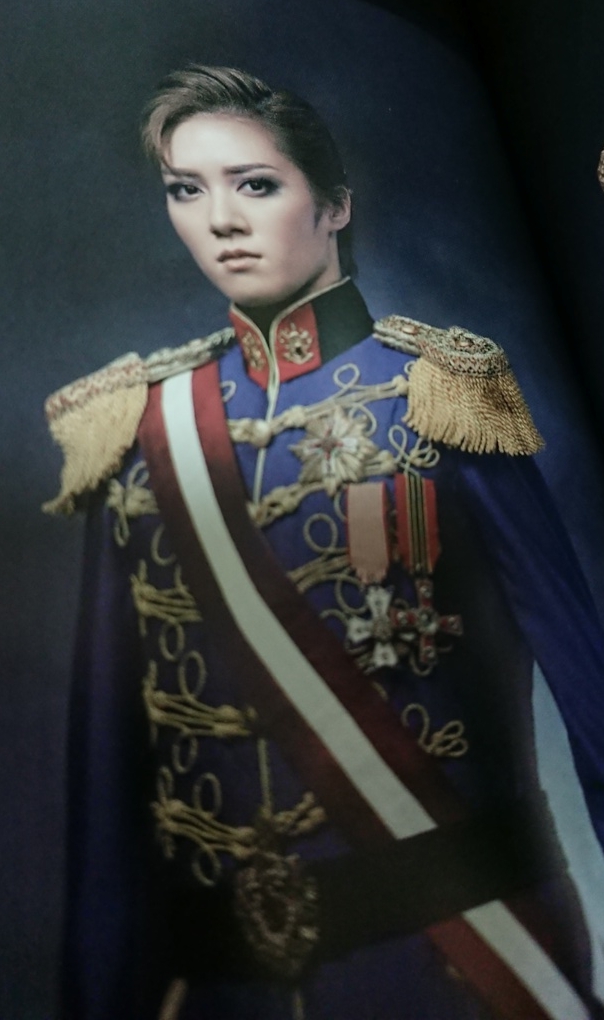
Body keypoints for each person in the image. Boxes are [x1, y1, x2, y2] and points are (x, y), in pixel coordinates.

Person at [45, 65, 604, 1020]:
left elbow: (591, 698)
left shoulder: (438, 399)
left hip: (454, 968)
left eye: (256, 184)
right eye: (187, 190)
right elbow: (108, 808)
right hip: (223, 992)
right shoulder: (134, 434)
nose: (221, 221)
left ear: (335, 205)